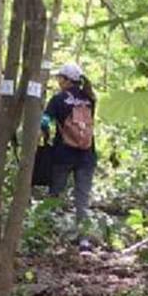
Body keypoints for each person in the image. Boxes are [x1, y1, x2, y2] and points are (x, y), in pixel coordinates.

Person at [41, 62, 98, 243]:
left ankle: (49, 235)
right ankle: (84, 240)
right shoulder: (90, 99)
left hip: (62, 154)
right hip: (87, 155)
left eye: (60, 77)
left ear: (66, 80)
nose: (58, 80)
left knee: (55, 194)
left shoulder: (58, 99)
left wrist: (45, 133)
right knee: (82, 199)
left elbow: (44, 121)